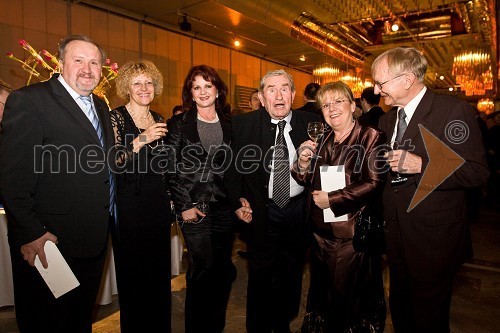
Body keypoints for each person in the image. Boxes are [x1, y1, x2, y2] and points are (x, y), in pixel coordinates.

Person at [0, 35, 115, 333]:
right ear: (60, 62)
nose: (87, 68)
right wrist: (31, 232)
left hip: (92, 238)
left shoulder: (100, 106)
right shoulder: (30, 100)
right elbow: (12, 176)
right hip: (48, 242)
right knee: (46, 321)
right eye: (78, 60)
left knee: (78, 318)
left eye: (94, 62)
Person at [373, 47, 490, 332]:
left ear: (407, 79)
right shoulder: (387, 120)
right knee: (400, 311)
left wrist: (422, 164)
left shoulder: (452, 110)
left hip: (435, 240)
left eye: (381, 82)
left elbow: (477, 171)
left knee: (429, 320)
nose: (376, 90)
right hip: (396, 236)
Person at [225, 69, 321, 333]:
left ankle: (283, 322)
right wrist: (236, 202)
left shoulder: (311, 123)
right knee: (259, 276)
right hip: (259, 212)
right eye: (271, 89)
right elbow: (231, 170)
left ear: (292, 94)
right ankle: (257, 327)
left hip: (296, 211)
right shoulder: (241, 125)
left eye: (284, 89)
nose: (279, 95)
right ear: (261, 97)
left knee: (291, 273)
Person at [292, 81, 387, 332]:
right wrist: (301, 162)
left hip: (348, 235)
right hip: (318, 232)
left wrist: (332, 199)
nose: (331, 108)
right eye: (325, 105)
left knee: (344, 298)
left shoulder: (371, 137)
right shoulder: (322, 139)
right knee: (322, 294)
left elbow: (374, 182)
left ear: (353, 105)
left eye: (338, 101)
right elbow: (303, 178)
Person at [165, 64, 236, 333]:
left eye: (208, 86)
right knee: (201, 267)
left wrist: (239, 200)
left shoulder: (230, 124)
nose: (203, 92)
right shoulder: (179, 124)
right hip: (194, 209)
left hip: (224, 209)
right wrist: (184, 206)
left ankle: (214, 325)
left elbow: (236, 167)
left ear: (218, 90)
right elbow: (169, 168)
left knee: (221, 269)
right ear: (190, 94)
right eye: (197, 87)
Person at [109, 60, 171, 333]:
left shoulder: (159, 119)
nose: (144, 88)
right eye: (137, 83)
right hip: (129, 204)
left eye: (148, 82)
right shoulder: (116, 118)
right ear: (126, 87)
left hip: (157, 203)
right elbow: (112, 162)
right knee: (133, 274)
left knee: (158, 274)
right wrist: (142, 139)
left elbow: (164, 165)